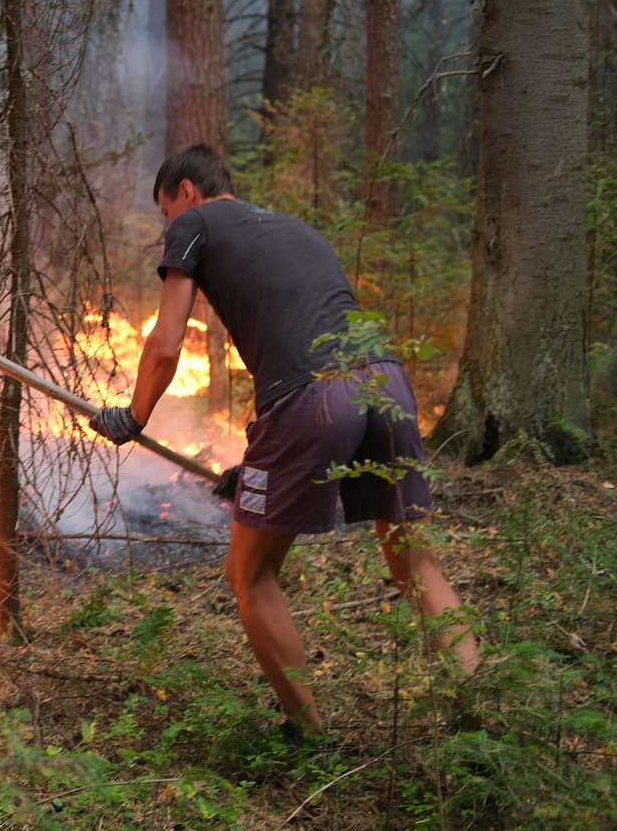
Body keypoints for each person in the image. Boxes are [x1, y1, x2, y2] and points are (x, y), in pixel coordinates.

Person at [88, 143, 478, 741]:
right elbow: (306, 334)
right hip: (384, 380)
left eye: (168, 212)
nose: (172, 226)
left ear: (186, 192)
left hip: (313, 397)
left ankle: (310, 735)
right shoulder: (291, 227)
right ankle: (484, 710)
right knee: (414, 560)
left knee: (250, 576)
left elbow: (167, 342)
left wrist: (133, 418)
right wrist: (257, 466)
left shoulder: (194, 222)